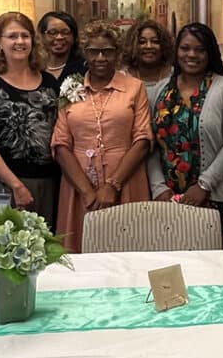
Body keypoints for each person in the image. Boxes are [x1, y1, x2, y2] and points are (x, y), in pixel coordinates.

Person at [51, 20, 152, 253]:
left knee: (128, 249)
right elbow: (61, 143)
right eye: (93, 51)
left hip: (125, 179)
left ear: (117, 53)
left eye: (107, 51)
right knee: (81, 252)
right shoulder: (71, 88)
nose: (100, 58)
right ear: (85, 53)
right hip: (79, 184)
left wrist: (113, 185)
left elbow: (143, 139)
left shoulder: (134, 87)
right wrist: (87, 191)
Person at [147, 23, 223, 248]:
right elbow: (151, 145)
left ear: (210, 52)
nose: (191, 54)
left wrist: (204, 185)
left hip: (217, 197)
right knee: (172, 261)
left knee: (215, 264)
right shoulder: (160, 90)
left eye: (200, 49)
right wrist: (158, 187)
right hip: (168, 200)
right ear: (176, 51)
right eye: (185, 48)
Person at [0, 12, 61, 226]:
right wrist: (16, 185)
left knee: (47, 242)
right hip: (6, 185)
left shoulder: (49, 83)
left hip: (49, 183)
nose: (20, 42)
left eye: (25, 36)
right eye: (12, 36)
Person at [123, 19, 175, 108]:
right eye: (142, 42)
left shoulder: (175, 76)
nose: (149, 46)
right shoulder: (122, 79)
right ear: (132, 45)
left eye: (155, 41)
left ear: (164, 45)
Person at [37, 11, 86, 84]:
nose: (59, 37)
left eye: (65, 32)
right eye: (53, 32)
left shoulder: (84, 67)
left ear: (74, 36)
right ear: (42, 36)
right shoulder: (34, 67)